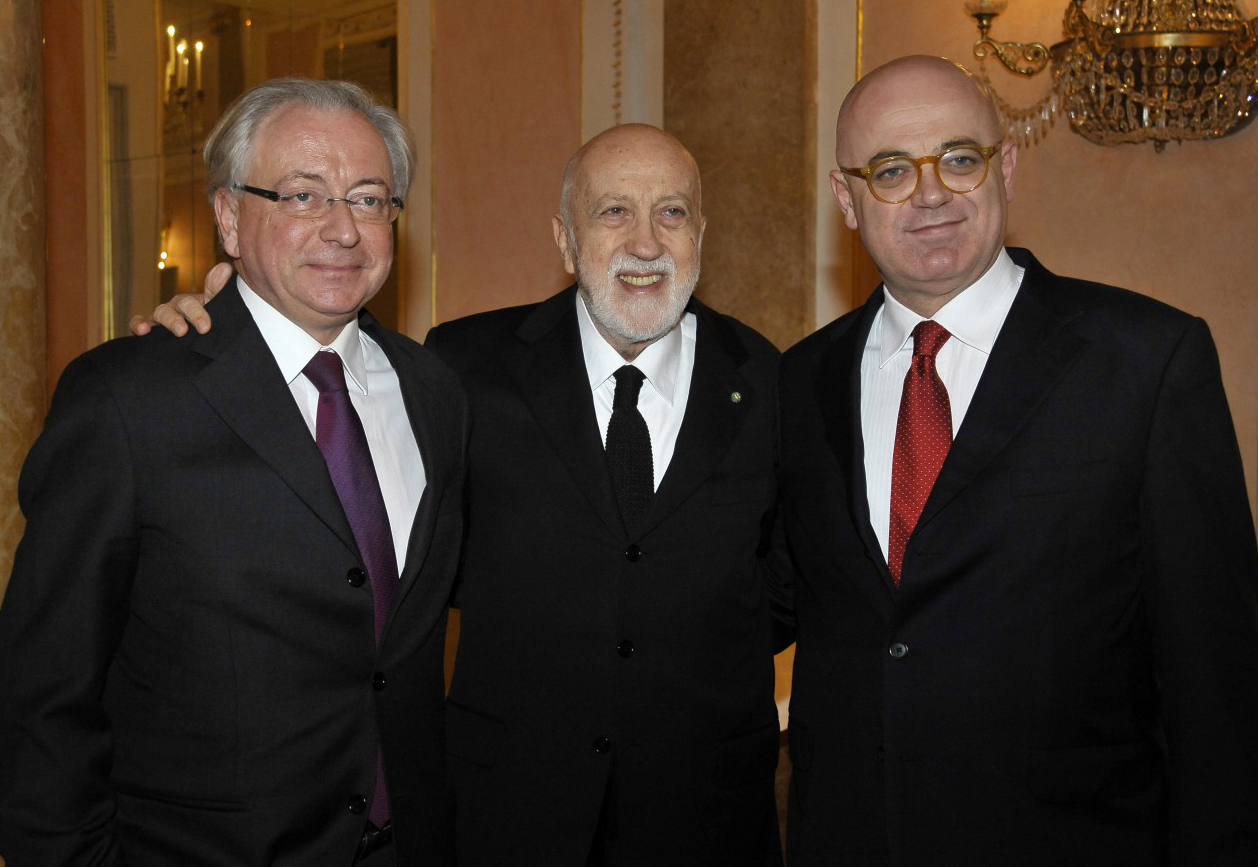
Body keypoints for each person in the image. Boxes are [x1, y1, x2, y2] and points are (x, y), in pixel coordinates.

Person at [133, 123, 786, 865]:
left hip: (707, 817)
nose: (645, 242)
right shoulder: (461, 370)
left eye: (671, 212)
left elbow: (791, 577)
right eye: (612, 212)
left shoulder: (764, 378)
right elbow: (329, 363)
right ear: (565, 241)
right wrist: (237, 312)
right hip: (508, 814)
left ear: (701, 232)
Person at [773, 55, 1258, 865]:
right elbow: (767, 599)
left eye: (959, 158)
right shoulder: (797, 379)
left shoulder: (1146, 361)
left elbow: (1219, 682)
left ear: (1007, 167)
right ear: (846, 200)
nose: (930, 192)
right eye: (890, 169)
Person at [0, 78, 466, 866]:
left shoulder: (434, 392)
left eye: (367, 197)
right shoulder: (128, 400)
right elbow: (41, 694)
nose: (342, 229)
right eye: (301, 196)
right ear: (227, 216)